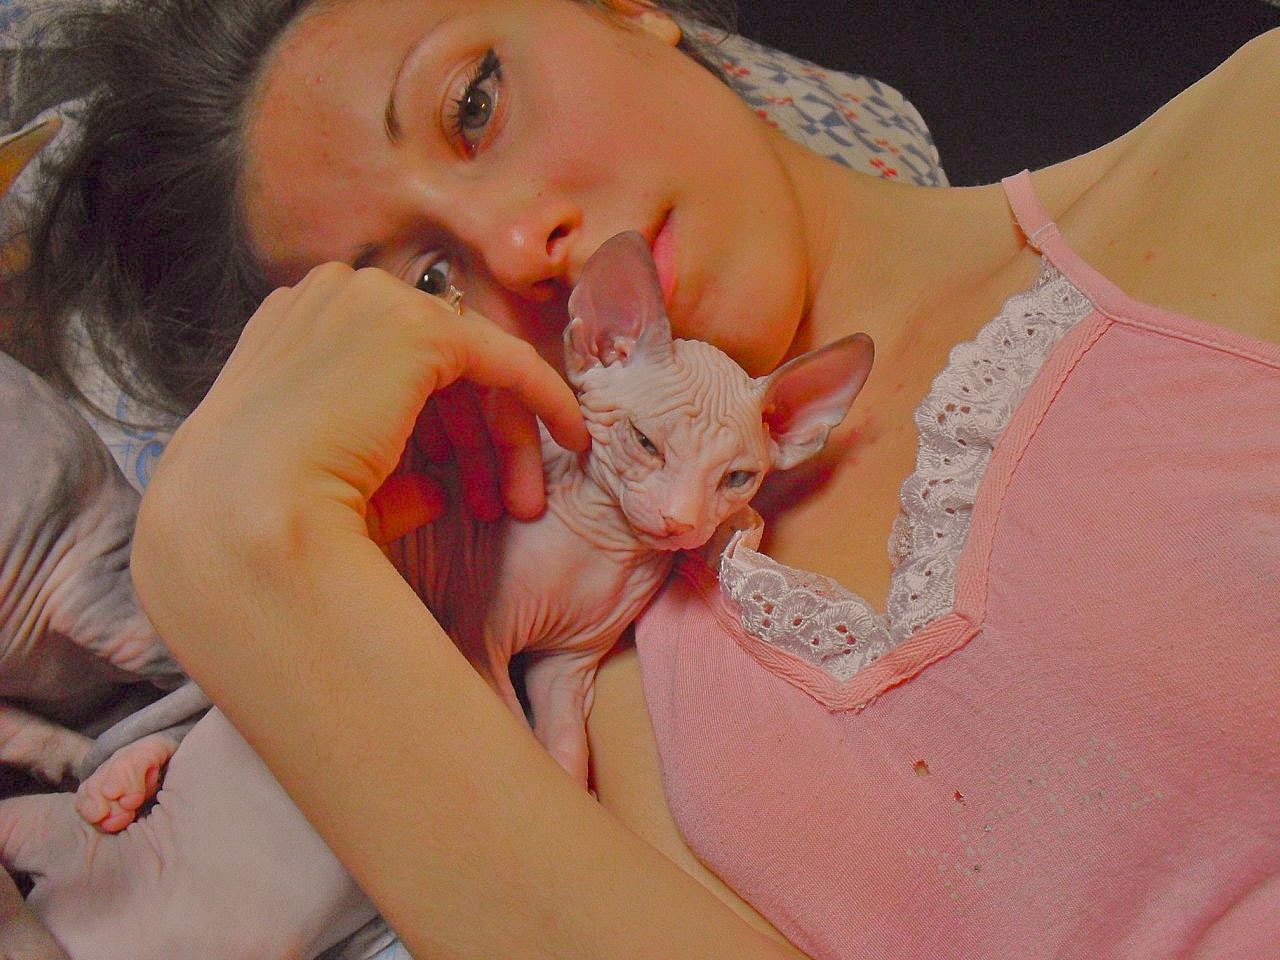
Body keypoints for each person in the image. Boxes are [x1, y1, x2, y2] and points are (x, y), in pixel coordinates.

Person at [2, 0, 1278, 957]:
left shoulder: (1242, 149)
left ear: (625, 6)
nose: (519, 243)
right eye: (428, 284)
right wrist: (243, 557)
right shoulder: (597, 751)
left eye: (473, 104)